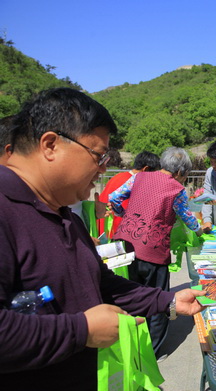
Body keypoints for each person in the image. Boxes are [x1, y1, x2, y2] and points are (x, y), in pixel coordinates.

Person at [0, 88, 204, 391]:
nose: (104, 168)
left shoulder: (61, 212)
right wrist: (80, 331)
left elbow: (101, 283)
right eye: (98, 155)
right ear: (51, 145)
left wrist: (167, 299)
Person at [109, 146, 201, 355]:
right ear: (179, 172)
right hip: (153, 250)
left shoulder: (139, 177)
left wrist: (126, 215)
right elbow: (187, 217)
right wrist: (199, 228)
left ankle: (131, 344)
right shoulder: (176, 189)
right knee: (158, 301)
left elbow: (114, 197)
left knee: (131, 296)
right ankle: (152, 351)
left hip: (126, 244)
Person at [98, 150, 161, 239]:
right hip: (116, 233)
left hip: (103, 228)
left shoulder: (118, 176)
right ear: (146, 169)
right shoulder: (132, 183)